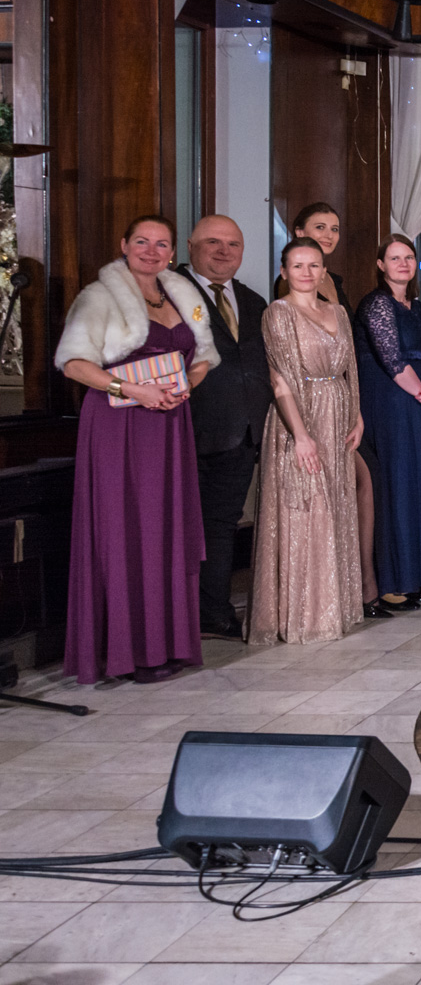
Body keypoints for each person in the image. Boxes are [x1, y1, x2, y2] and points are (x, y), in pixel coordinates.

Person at [55, 215, 217, 683]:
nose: (151, 251)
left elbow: (204, 357)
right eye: (142, 241)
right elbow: (74, 364)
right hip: (119, 424)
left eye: (161, 244)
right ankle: (128, 652)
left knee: (165, 529)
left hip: (170, 422)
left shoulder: (182, 296)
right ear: (124, 244)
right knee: (126, 529)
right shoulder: (99, 296)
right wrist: (132, 390)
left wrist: (188, 384)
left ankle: (166, 644)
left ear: (173, 253)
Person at [249, 238, 363, 645]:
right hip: (299, 416)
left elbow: (351, 368)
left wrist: (357, 415)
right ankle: (307, 615)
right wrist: (300, 434)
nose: (306, 272)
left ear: (323, 270)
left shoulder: (338, 312)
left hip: (338, 416)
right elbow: (279, 379)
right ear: (284, 272)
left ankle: (335, 607)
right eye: (297, 265)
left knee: (336, 506)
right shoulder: (278, 313)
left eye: (314, 265)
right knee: (308, 507)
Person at [176, 214, 270, 639]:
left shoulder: (252, 301)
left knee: (222, 524)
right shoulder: (169, 292)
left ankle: (214, 613)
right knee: (180, 525)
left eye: (233, 244)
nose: (223, 251)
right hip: (184, 428)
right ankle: (174, 617)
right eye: (213, 242)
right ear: (191, 246)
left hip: (242, 431)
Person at [280, 200, 377, 611]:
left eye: (334, 228)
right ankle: (346, 591)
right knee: (342, 489)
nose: (328, 235)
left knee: (358, 486)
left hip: (343, 404)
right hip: (309, 407)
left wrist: (354, 409)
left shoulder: (334, 281)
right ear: (298, 232)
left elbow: (347, 353)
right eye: (319, 227)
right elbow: (286, 367)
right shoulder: (286, 289)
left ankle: (359, 585)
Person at [354, 234, 421, 613]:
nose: (403, 264)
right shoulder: (376, 304)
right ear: (380, 265)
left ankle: (415, 577)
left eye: (408, 257)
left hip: (417, 396)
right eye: (394, 258)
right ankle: (390, 582)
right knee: (395, 485)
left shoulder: (416, 306)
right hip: (390, 399)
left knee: (416, 485)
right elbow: (391, 359)